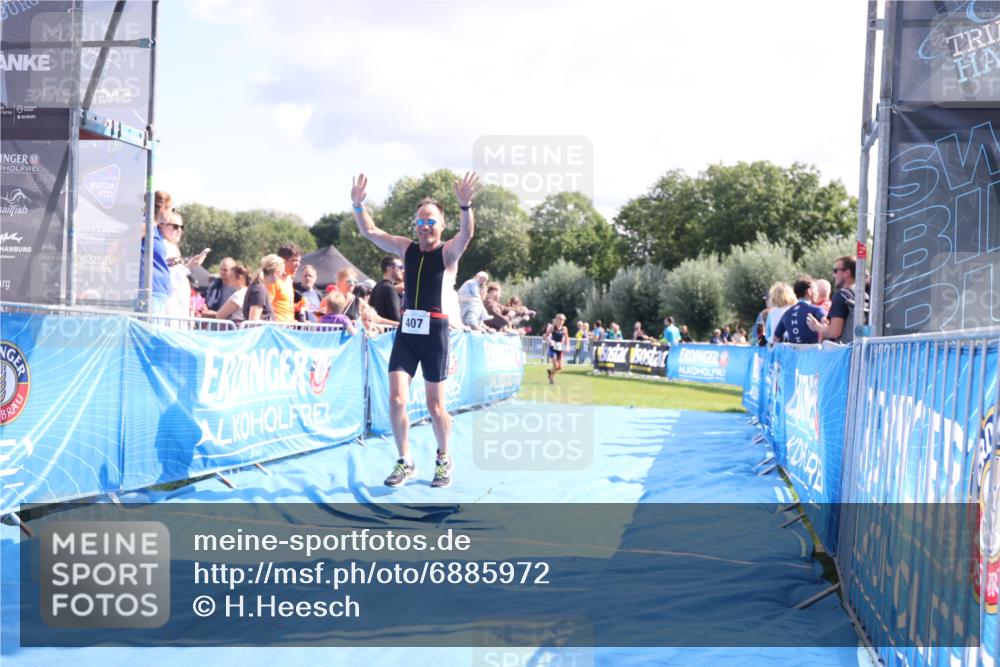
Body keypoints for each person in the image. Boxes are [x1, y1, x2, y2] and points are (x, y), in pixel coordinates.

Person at [350, 171, 480, 489]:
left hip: (435, 334)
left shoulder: (447, 253)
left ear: (441, 225)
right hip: (407, 333)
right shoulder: (405, 248)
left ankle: (443, 458)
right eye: (420, 221)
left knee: (436, 407)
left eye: (431, 220)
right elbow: (370, 230)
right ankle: (405, 461)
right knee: (396, 400)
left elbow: (466, 236)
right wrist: (357, 205)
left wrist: (465, 207)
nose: (424, 226)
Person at [806, 256, 867, 344]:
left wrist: (816, 326)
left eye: (836, 271)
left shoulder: (841, 295)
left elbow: (834, 332)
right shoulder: (865, 296)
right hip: (862, 350)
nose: (833, 275)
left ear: (847, 273)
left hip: (845, 352)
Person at [139, 190, 173, 315]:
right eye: (171, 209)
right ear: (163, 208)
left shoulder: (154, 229)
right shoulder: (146, 226)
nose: (171, 213)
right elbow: (125, 239)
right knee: (149, 333)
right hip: (149, 293)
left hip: (157, 292)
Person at [773, 279, 826, 344]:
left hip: (794, 353)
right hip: (813, 352)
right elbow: (826, 322)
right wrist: (821, 343)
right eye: (816, 290)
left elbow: (775, 339)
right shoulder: (816, 309)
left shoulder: (786, 314)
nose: (817, 293)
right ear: (809, 291)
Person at [162, 211, 191, 325]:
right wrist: (188, 266)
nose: (179, 230)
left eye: (181, 227)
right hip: (170, 304)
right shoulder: (164, 245)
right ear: (163, 226)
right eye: (175, 226)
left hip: (178, 304)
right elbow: (170, 276)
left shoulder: (172, 246)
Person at [244, 254, 283, 322]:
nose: (282, 276)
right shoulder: (259, 289)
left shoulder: (258, 287)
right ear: (276, 273)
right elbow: (253, 321)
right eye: (283, 273)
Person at [269, 243, 301, 323]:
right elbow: (267, 307)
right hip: (275, 329)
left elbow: (283, 306)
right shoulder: (272, 280)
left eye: (299, 261)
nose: (298, 264)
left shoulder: (289, 279)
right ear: (283, 260)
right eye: (295, 260)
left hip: (287, 329)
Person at [371, 256, 404, 323]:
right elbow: (396, 317)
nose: (403, 270)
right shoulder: (389, 288)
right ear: (390, 268)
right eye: (400, 267)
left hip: (380, 331)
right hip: (389, 331)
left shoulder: (376, 287)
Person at [543, 313, 570, 384]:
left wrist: (567, 346)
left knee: (560, 367)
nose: (562, 320)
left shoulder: (564, 328)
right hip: (552, 349)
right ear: (557, 319)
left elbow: (567, 338)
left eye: (563, 319)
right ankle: (551, 379)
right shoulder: (553, 327)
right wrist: (549, 341)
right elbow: (545, 337)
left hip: (559, 349)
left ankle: (550, 372)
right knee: (555, 365)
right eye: (560, 319)